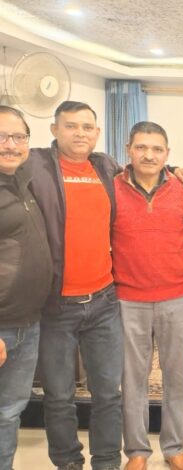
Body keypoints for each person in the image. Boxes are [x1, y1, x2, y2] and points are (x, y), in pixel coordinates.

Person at [28, 101, 124, 470]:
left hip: (104, 301)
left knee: (108, 393)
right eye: (71, 126)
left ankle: (106, 461)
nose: (80, 133)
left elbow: (143, 172)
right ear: (55, 129)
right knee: (58, 395)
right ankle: (68, 461)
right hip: (55, 305)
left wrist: (180, 170)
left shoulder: (105, 167)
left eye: (87, 127)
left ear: (97, 133)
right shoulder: (34, 165)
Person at [112, 122, 183, 470]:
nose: (149, 155)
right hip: (127, 299)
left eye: (157, 149)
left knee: (177, 376)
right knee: (133, 378)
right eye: (141, 147)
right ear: (128, 150)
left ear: (167, 154)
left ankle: (174, 446)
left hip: (177, 296)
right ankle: (136, 451)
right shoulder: (111, 189)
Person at [0, 105, 53, 470]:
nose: (11, 144)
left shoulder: (21, 180)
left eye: (18, 136)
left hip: (27, 324)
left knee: (10, 411)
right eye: (2, 136)